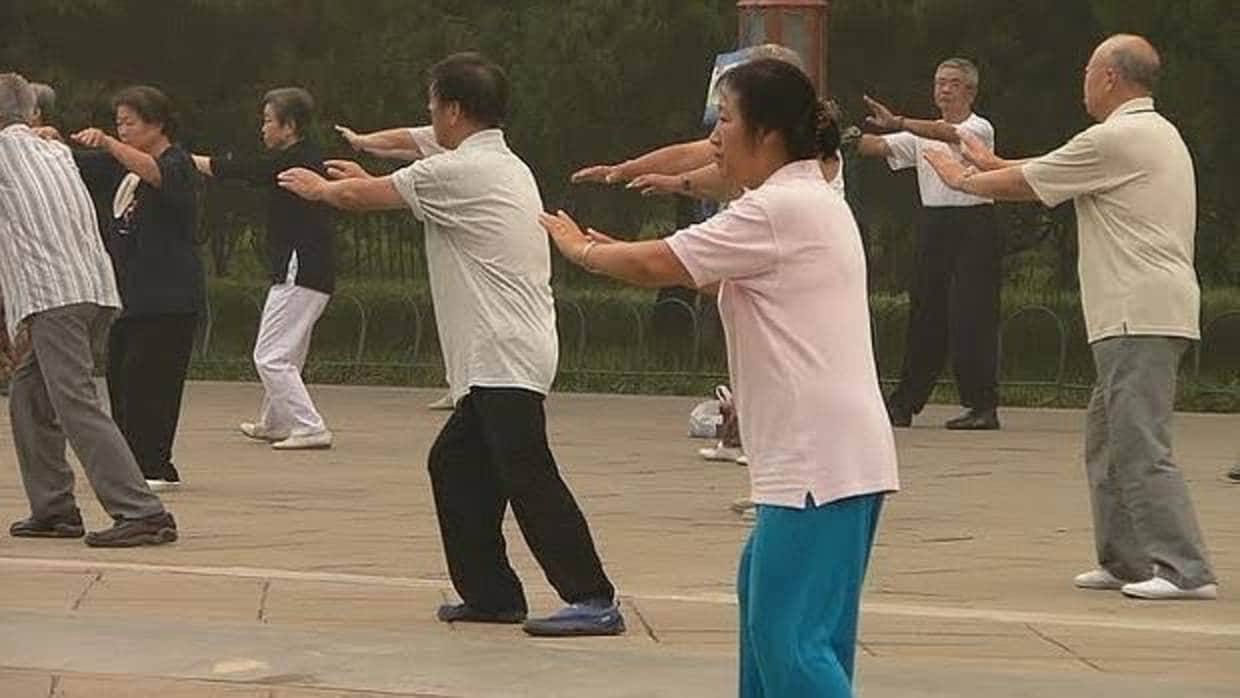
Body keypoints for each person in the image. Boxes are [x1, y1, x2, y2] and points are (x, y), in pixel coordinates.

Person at [541, 58, 898, 697]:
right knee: (778, 618)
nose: (713, 137)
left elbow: (661, 262)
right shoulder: (798, 199)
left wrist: (581, 250)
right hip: (827, 454)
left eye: (724, 120)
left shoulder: (779, 208)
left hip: (817, 458)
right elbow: (701, 261)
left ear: (765, 134)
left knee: (791, 642)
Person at [278, 52, 625, 637]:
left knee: (528, 474)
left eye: (433, 104)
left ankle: (592, 597)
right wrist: (368, 152)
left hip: (503, 353)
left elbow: (365, 198)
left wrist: (319, 187)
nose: (428, 116)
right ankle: (492, 595)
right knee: (456, 464)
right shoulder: (496, 162)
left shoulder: (460, 171)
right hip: (505, 349)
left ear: (456, 111)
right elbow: (410, 149)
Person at [925, 34, 1217, 601]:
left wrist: (964, 179)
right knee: (1107, 444)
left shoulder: (1119, 137)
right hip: (1133, 312)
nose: (1082, 78)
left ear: (1110, 77)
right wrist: (990, 162)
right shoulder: (1144, 134)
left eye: (1088, 68)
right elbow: (1052, 166)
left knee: (1139, 444)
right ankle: (1127, 561)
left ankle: (1185, 569)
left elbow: (1028, 182)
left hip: (1141, 313)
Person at [0, 72, 177, 547]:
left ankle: (141, 511)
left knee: (74, 402)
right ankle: (54, 507)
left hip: (55, 296)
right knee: (29, 395)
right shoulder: (52, 150)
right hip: (92, 289)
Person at [854, 58, 1002, 430]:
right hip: (934, 224)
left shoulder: (978, 128)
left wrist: (900, 121)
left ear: (970, 90)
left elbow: (947, 135)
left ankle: (982, 405)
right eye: (939, 83)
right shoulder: (920, 135)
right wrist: (826, 132)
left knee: (971, 315)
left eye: (953, 83)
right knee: (924, 314)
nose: (945, 89)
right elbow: (873, 147)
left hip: (974, 225)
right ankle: (904, 403)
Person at [69, 86, 204, 491]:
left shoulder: (178, 163)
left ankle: (156, 464)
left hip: (169, 297)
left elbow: (156, 174)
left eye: (130, 122)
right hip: (130, 296)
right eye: (117, 123)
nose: (121, 130)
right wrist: (48, 141)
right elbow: (76, 163)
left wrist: (109, 142)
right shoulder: (118, 167)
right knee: (123, 380)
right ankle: (129, 464)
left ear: (157, 123)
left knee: (154, 382)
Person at [193, 87, 335, 450]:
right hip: (310, 271)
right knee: (288, 353)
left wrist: (180, 159)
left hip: (298, 270)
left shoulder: (293, 161)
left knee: (269, 355)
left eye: (269, 121)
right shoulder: (301, 157)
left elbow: (239, 169)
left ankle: (309, 425)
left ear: (289, 127)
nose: (263, 128)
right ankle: (276, 422)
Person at [335, 123, 455, 412]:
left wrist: (362, 141)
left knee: (465, 315)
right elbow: (403, 148)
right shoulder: (450, 145)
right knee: (451, 316)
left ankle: (469, 386)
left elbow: (403, 140)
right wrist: (366, 149)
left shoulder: (458, 147)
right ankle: (459, 384)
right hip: (447, 245)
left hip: (463, 248)